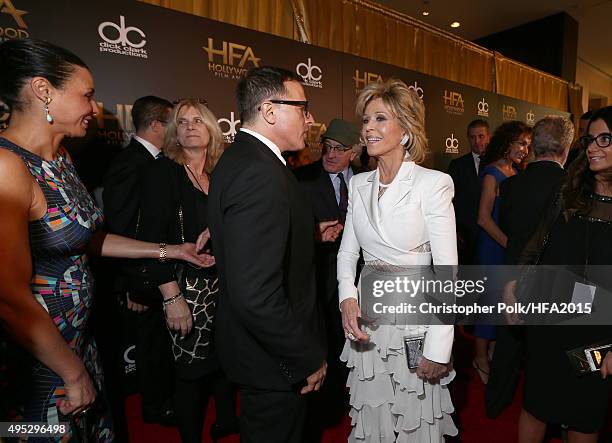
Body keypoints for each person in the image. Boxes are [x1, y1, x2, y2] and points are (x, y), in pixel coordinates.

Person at [0, 38, 207, 441]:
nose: (95, 108)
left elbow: (86, 240)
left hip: (78, 343)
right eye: (87, 96)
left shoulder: (61, 158)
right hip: (37, 364)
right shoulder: (6, 167)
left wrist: (168, 249)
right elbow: (8, 297)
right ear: (43, 90)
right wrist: (71, 373)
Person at [207, 66, 333, 443]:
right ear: (270, 110)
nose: (310, 119)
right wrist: (303, 358)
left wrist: (306, 234)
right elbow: (256, 293)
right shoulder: (259, 173)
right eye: (302, 108)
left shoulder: (242, 158)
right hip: (273, 360)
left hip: (258, 353)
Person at [338, 78, 458, 442]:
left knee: (414, 421)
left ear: (405, 130)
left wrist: (439, 347)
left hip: (415, 321)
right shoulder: (359, 184)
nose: (368, 128)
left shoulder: (433, 183)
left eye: (380, 119)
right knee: (374, 413)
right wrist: (347, 297)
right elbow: (348, 252)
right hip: (369, 320)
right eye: (366, 120)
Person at [507, 106, 612, 443]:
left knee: (583, 415)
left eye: (604, 139)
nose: (592, 147)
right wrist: (513, 285)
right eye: (589, 139)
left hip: (598, 335)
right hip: (550, 324)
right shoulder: (568, 192)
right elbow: (535, 244)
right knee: (537, 405)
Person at [136, 98, 238, 443]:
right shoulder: (163, 171)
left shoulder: (223, 170)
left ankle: (226, 422)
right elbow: (150, 238)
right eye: (182, 121)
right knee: (191, 371)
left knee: (226, 361)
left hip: (228, 283)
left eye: (198, 120)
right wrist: (171, 296)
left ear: (212, 128)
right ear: (174, 133)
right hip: (187, 286)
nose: (191, 126)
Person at [486, 116, 573, 417]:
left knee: (507, 348)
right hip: (551, 281)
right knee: (547, 354)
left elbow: (509, 228)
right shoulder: (570, 188)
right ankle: (544, 412)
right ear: (566, 147)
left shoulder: (511, 186)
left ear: (534, 146)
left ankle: (494, 405)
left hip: (511, 273)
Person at [102, 95, 176, 428]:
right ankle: (154, 406)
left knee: (160, 343)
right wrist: (133, 284)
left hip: (159, 269)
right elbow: (119, 226)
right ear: (158, 124)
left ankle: (163, 399)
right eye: (174, 123)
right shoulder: (129, 163)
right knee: (149, 346)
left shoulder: (159, 162)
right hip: (141, 278)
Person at [294, 118, 361, 437]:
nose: (331, 154)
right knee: (325, 343)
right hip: (317, 278)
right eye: (327, 147)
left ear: (355, 151)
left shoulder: (366, 180)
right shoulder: (301, 179)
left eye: (340, 149)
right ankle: (326, 405)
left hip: (359, 279)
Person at [472, 120, 531, 383]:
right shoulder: (491, 173)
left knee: (503, 304)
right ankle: (480, 358)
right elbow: (483, 219)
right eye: (521, 143)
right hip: (492, 248)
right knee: (488, 305)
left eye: (528, 145)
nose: (525, 149)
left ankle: (495, 353)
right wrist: (510, 244)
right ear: (507, 143)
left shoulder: (517, 174)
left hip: (509, 248)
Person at [448, 119, 490, 265]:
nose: (476, 141)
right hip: (466, 236)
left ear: (488, 137)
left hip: (492, 235)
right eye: (472, 137)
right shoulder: (457, 165)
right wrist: (455, 229)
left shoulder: (499, 165)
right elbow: (449, 201)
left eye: (481, 136)